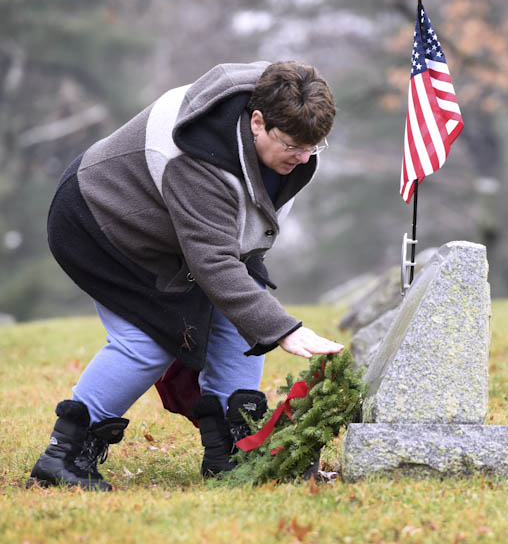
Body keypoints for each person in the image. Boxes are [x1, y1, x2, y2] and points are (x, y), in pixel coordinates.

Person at [27, 60, 344, 491]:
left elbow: (234, 246)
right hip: (102, 223)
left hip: (177, 230)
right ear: (257, 122)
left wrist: (259, 316)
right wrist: (283, 329)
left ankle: (231, 451)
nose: (304, 158)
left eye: (314, 147)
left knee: (240, 319)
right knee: (150, 340)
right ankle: (63, 456)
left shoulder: (288, 116)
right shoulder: (197, 158)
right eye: (292, 145)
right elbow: (212, 262)